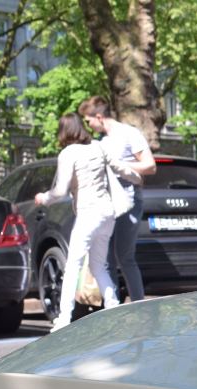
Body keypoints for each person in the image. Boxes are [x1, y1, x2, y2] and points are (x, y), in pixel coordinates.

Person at [34, 112, 128, 331]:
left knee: (73, 265)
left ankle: (64, 319)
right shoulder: (97, 147)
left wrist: (43, 198)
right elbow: (117, 168)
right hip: (107, 213)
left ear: (64, 131)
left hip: (89, 213)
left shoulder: (69, 153)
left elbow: (60, 190)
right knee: (98, 265)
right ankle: (114, 309)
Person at [78, 95, 157, 302]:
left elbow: (150, 166)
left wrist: (119, 165)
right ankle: (112, 307)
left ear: (99, 116)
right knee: (106, 258)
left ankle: (139, 304)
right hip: (108, 204)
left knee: (125, 256)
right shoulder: (103, 141)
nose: (88, 126)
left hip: (129, 202)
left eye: (88, 121)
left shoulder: (128, 133)